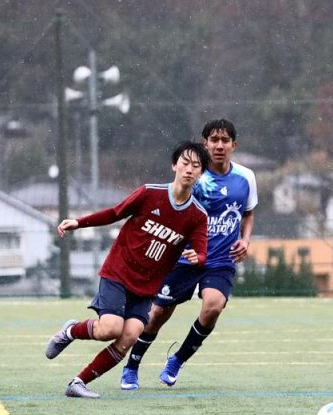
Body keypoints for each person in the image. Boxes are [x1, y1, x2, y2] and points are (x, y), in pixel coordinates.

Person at [44, 141, 210, 398]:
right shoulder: (149, 193)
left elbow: (201, 251)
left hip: (146, 288)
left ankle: (78, 383)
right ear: (174, 165)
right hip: (118, 273)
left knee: (131, 335)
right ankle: (70, 330)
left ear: (201, 174)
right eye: (185, 163)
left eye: (196, 166)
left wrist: (196, 256)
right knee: (110, 328)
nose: (189, 169)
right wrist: (79, 222)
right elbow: (115, 213)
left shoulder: (197, 216)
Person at [119, 118, 257, 390]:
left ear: (234, 145)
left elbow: (248, 212)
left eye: (225, 141)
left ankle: (177, 361)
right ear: (204, 144)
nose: (219, 146)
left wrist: (246, 239)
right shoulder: (195, 176)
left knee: (213, 306)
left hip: (220, 260)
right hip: (184, 258)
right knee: (158, 313)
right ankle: (132, 365)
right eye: (214, 140)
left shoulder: (246, 177)